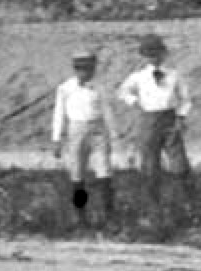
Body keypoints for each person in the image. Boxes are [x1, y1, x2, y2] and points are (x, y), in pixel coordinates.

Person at [113, 36, 189, 213]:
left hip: (170, 118)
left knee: (178, 160)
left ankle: (183, 202)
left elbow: (185, 98)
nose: (154, 58)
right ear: (144, 56)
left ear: (164, 54)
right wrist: (136, 103)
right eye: (149, 54)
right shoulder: (138, 77)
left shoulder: (174, 75)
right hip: (148, 120)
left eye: (157, 53)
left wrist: (181, 117)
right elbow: (122, 91)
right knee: (149, 162)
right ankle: (153, 204)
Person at [47, 52, 112, 227]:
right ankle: (80, 217)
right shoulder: (65, 88)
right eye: (81, 69)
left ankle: (108, 217)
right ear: (75, 69)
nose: (86, 73)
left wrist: (113, 135)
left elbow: (107, 111)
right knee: (77, 173)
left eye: (89, 69)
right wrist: (56, 139)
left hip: (98, 130)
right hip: (76, 130)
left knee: (104, 171)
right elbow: (59, 114)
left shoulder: (99, 87)